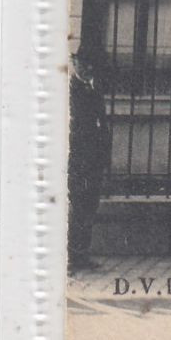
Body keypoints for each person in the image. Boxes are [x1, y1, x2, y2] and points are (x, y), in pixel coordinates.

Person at [67, 49, 112, 273]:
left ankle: (81, 255)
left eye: (91, 65)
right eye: (82, 63)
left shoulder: (95, 92)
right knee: (72, 208)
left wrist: (104, 158)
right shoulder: (67, 92)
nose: (87, 68)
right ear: (74, 63)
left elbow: (103, 128)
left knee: (88, 207)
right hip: (73, 160)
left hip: (93, 161)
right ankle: (67, 258)